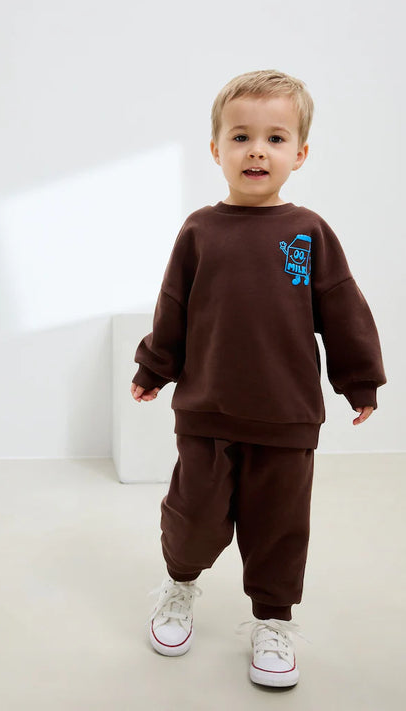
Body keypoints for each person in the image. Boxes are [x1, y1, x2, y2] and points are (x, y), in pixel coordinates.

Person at [130, 69, 386, 688]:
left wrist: (360, 380)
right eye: (241, 136)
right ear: (216, 149)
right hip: (207, 410)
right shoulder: (200, 230)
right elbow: (174, 305)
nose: (257, 151)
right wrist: (155, 365)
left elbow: (341, 308)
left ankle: (273, 620)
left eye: (275, 138)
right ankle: (180, 586)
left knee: (279, 528)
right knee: (193, 516)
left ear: (300, 154)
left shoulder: (308, 232)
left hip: (286, 416)